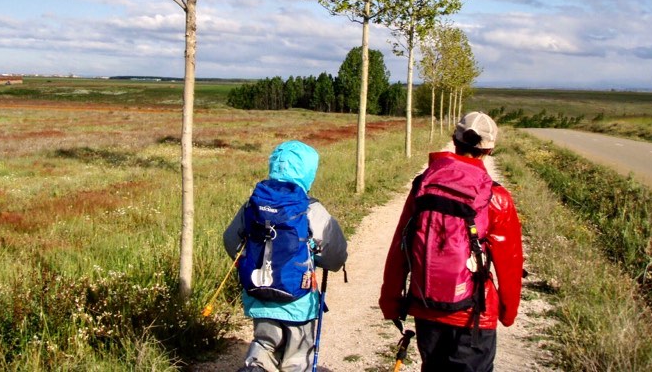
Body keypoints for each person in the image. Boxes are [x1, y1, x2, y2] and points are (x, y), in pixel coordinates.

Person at [379, 112, 524, 372]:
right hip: (474, 316)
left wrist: (390, 300)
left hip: (426, 307)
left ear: (454, 140)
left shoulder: (423, 185)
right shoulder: (496, 197)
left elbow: (400, 246)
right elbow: (510, 263)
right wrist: (508, 312)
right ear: (490, 149)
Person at [224, 140, 348, 372]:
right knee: (297, 354)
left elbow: (231, 240)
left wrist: (248, 263)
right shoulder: (311, 208)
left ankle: (256, 367)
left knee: (263, 343)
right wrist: (313, 258)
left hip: (259, 296)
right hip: (299, 300)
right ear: (309, 172)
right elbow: (335, 257)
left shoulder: (253, 204)